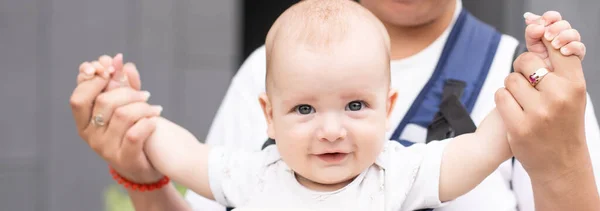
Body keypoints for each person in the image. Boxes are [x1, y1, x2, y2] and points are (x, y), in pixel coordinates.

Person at [68, 1, 597, 211]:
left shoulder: (396, 172)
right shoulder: (255, 172)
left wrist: (538, 76)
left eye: (355, 106)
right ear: (267, 114)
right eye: (303, 111)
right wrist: (124, 107)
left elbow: (480, 146)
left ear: (387, 108)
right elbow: (178, 149)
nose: (331, 130)